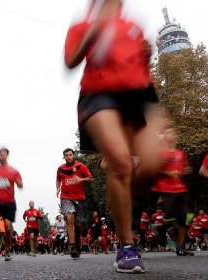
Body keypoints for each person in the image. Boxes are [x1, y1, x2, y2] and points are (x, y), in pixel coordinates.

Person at [64, 0, 164, 273]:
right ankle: (127, 247)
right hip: (98, 95)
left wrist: (146, 56)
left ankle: (120, 186)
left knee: (152, 167)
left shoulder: (133, 27)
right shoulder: (81, 25)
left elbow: (142, 71)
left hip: (137, 94)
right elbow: (70, 60)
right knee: (121, 161)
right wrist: (94, 31)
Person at [151, 125, 194, 256]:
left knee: (189, 215)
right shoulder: (158, 152)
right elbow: (150, 168)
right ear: (163, 135)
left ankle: (180, 247)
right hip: (165, 188)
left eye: (174, 132)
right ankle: (161, 227)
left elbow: (183, 169)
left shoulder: (181, 153)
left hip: (180, 189)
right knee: (175, 215)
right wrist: (166, 172)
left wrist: (187, 170)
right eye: (169, 132)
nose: (173, 134)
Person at [56, 148, 93, 258]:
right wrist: (57, 188)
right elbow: (58, 180)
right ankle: (72, 247)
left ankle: (77, 243)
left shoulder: (81, 166)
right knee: (69, 219)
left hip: (79, 198)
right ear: (64, 156)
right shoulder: (60, 169)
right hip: (66, 197)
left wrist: (81, 180)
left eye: (70, 155)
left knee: (78, 224)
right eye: (66, 155)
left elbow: (91, 178)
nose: (69, 157)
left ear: (74, 155)